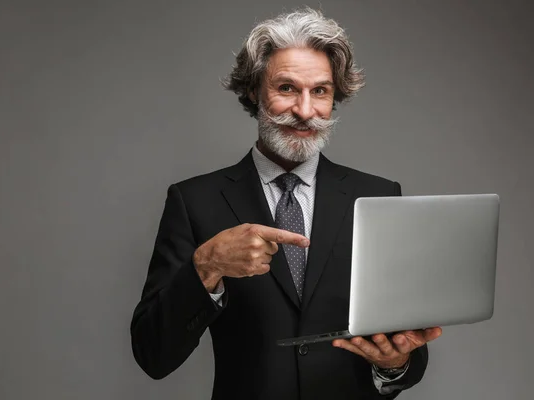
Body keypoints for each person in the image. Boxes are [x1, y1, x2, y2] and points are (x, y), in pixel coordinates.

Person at [130, 7, 442, 400]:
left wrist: (394, 365)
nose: (305, 111)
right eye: (287, 88)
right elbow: (152, 355)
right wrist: (206, 267)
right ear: (253, 90)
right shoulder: (194, 202)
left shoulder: (379, 196)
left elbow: (405, 351)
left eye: (321, 91)